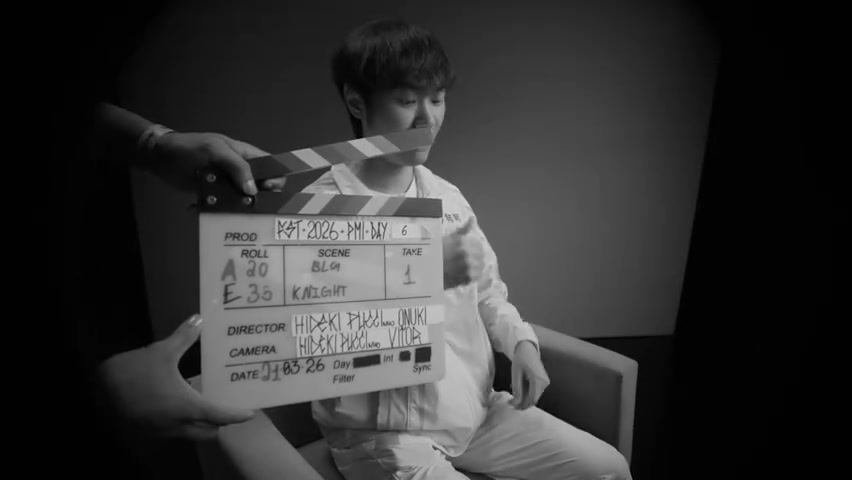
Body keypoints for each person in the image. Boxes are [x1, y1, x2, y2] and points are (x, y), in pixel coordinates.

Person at [303, 19, 633, 480]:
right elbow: (312, 329)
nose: (427, 119)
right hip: (383, 434)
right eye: (407, 101)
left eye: (437, 99)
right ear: (357, 102)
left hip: (475, 412)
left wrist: (520, 343)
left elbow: (487, 292)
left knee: (609, 469)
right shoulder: (319, 209)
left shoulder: (448, 198)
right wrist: (420, 272)